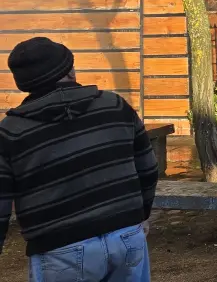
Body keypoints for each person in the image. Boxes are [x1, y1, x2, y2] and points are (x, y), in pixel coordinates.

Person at [0, 37, 158, 281]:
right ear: (70, 71)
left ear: (24, 83)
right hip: (127, 236)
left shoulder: (10, 132)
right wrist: (140, 216)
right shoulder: (115, 106)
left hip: (59, 248)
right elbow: (148, 168)